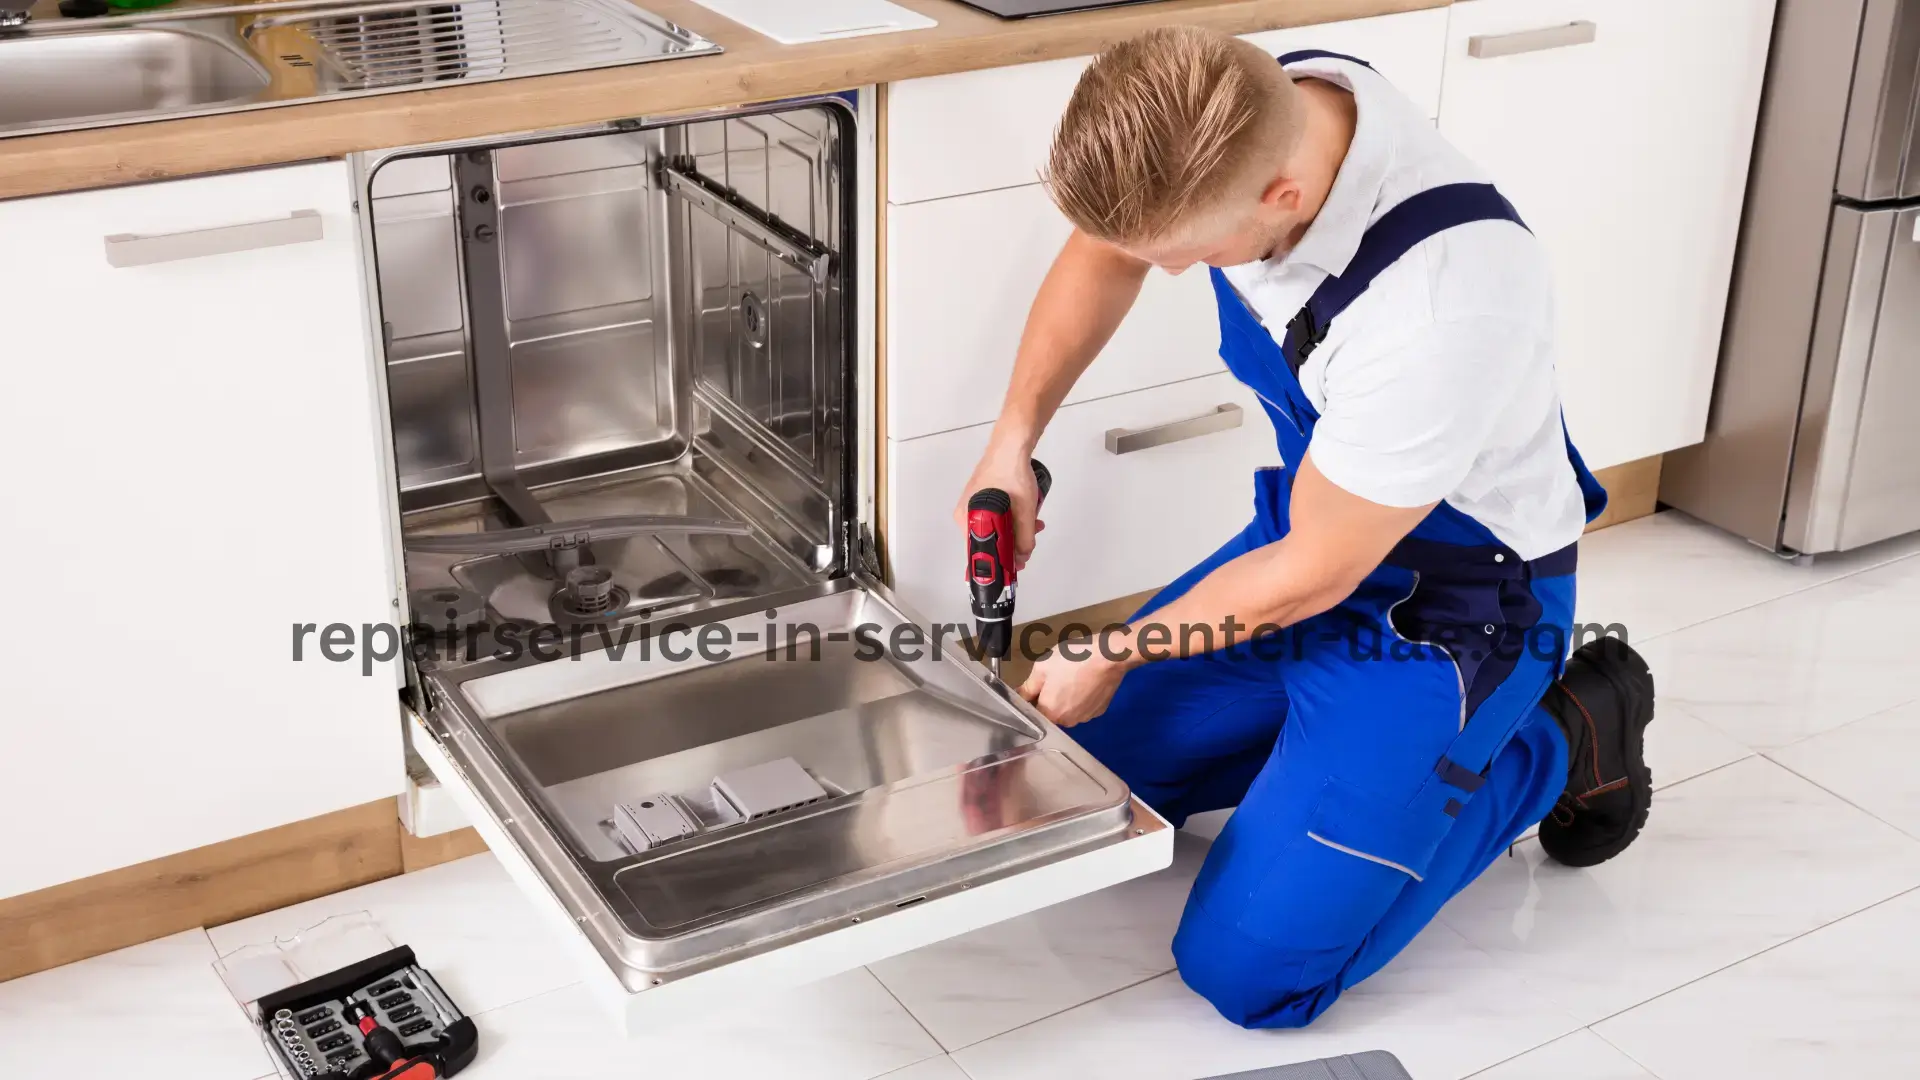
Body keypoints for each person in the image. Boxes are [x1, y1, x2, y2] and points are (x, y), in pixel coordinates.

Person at [952, 26, 1657, 1030]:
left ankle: (1561, 733)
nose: (1165, 271)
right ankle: (1343, 766)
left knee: (1249, 976)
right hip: (1311, 534)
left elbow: (1313, 575)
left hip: (1453, 614)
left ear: (1282, 200)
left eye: (1183, 255)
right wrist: (1009, 445)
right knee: (1086, 784)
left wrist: (1119, 646)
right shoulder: (1246, 108)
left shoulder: (1443, 303)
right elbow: (1109, 246)